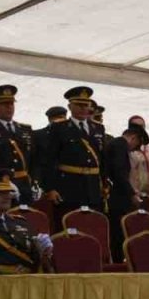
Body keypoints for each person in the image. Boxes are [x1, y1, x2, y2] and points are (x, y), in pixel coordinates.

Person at [40, 86, 107, 214]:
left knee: (93, 225)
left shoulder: (98, 128)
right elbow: (49, 159)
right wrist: (50, 188)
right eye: (78, 105)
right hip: (69, 186)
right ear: (70, 107)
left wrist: (104, 184)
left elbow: (102, 159)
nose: (83, 108)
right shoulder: (59, 127)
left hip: (93, 187)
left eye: (85, 105)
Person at [104, 125, 149, 262]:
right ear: (133, 138)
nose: (133, 150)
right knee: (118, 233)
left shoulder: (115, 144)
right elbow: (119, 173)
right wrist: (131, 193)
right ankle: (118, 260)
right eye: (136, 146)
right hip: (116, 198)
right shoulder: (120, 145)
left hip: (115, 192)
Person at [32, 106, 67, 193]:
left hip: (67, 180)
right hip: (44, 179)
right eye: (57, 118)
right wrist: (37, 181)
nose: (60, 121)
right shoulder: (38, 135)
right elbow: (34, 161)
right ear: (50, 119)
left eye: (62, 118)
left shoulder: (71, 135)